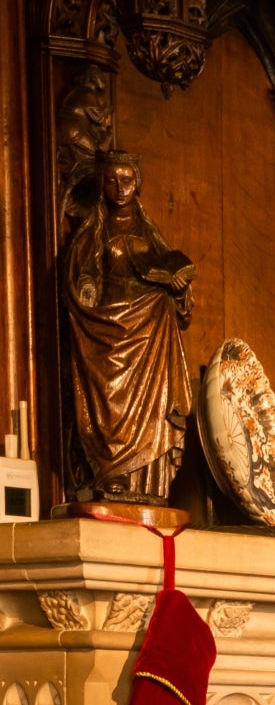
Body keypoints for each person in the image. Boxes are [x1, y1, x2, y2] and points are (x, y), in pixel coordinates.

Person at [63, 149, 194, 502]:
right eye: (112, 180)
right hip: (108, 329)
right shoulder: (94, 231)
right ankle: (111, 473)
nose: (120, 188)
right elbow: (84, 277)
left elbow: (172, 278)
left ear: (137, 184)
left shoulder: (150, 233)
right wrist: (88, 292)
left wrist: (178, 289)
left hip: (150, 328)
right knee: (109, 398)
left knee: (152, 406)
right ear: (102, 184)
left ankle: (146, 481)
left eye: (127, 180)